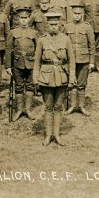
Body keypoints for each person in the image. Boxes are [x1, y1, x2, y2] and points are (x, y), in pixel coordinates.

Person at [33, 12, 75, 146]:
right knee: (48, 106)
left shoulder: (66, 39)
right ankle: (48, 135)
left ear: (60, 25)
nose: (53, 27)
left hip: (62, 77)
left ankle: (57, 135)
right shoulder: (42, 40)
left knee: (58, 106)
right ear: (47, 25)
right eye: (51, 25)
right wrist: (36, 78)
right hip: (46, 77)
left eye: (56, 25)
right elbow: (37, 62)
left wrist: (72, 78)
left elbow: (72, 60)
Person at [64, 4, 95, 116]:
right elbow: (63, 44)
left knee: (82, 84)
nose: (77, 16)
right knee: (72, 83)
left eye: (79, 14)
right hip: (70, 60)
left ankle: (81, 106)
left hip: (84, 59)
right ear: (72, 14)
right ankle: (72, 106)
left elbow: (92, 45)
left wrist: (91, 62)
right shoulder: (67, 27)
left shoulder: (87, 27)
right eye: (75, 14)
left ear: (82, 14)